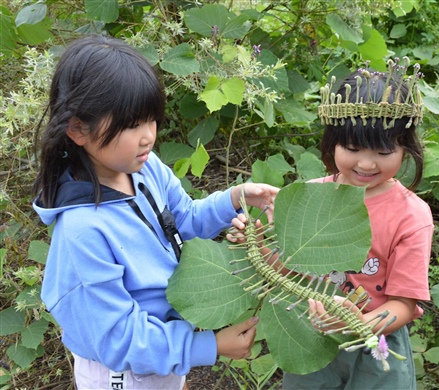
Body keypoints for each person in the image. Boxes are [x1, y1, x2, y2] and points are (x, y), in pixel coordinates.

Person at [32, 35, 279, 390]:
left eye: (151, 120)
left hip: (165, 349)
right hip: (121, 371)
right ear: (77, 129)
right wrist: (207, 346)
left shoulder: (145, 170)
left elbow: (185, 221)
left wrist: (235, 197)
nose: (148, 136)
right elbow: (118, 337)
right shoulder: (83, 230)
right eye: (132, 124)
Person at [230, 59, 433, 389]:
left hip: (375, 342)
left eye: (383, 151)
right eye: (352, 148)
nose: (366, 163)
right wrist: (257, 244)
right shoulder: (311, 195)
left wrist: (357, 325)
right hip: (309, 336)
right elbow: (288, 269)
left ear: (405, 148)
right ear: (332, 143)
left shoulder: (412, 215)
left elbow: (405, 305)